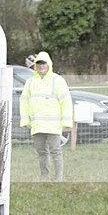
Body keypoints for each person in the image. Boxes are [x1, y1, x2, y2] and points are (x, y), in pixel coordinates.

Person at [19, 51, 73, 181]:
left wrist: (67, 122)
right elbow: (24, 101)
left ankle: (58, 178)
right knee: (41, 152)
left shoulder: (58, 80)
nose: (41, 66)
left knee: (55, 151)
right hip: (37, 124)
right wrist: (25, 120)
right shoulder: (30, 82)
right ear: (35, 65)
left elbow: (66, 101)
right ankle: (44, 176)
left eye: (43, 63)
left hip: (53, 124)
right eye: (39, 63)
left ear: (48, 64)